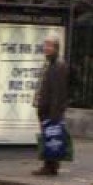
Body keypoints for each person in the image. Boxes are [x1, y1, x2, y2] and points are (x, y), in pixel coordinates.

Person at [32, 32, 71, 176]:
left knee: (51, 136)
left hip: (51, 109)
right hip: (45, 107)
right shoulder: (49, 63)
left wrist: (55, 113)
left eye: (49, 46)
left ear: (56, 48)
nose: (46, 48)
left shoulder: (58, 66)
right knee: (49, 136)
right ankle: (50, 164)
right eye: (45, 45)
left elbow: (58, 92)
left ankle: (50, 165)